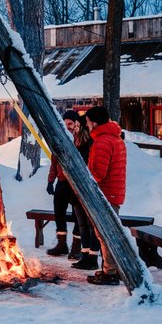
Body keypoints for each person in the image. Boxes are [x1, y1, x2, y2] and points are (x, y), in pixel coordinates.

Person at [83, 106, 127, 286]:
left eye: (87, 122)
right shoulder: (114, 138)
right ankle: (110, 269)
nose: (86, 126)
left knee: (105, 234)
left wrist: (84, 175)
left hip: (106, 194)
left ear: (94, 122)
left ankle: (111, 272)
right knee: (106, 234)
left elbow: (98, 173)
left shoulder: (102, 142)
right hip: (113, 192)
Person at [45, 110, 83, 258]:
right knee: (59, 213)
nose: (67, 127)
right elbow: (54, 163)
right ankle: (62, 244)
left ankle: (76, 247)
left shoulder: (80, 140)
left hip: (76, 185)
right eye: (65, 124)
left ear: (76, 124)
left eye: (70, 124)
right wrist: (50, 181)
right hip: (61, 183)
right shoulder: (59, 140)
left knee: (77, 216)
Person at [70, 114, 100, 270]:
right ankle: (85, 254)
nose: (74, 128)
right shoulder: (76, 142)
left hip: (86, 188)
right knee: (81, 223)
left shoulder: (88, 144)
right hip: (76, 188)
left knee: (89, 224)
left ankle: (92, 257)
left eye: (75, 125)